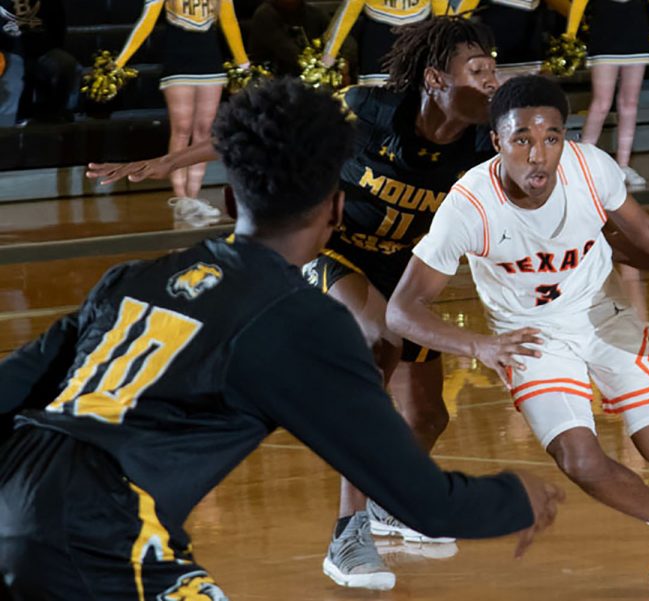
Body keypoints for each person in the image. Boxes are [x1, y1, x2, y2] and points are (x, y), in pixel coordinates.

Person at [0, 77, 564, 600]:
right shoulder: (299, 321)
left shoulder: (132, 278)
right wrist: (517, 498)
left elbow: (11, 385)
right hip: (100, 525)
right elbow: (424, 501)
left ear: (228, 202)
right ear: (337, 209)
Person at [87, 17, 505, 590]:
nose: (492, 81)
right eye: (478, 70)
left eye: (494, 68)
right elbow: (271, 132)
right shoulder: (372, 112)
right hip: (334, 249)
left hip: (402, 272)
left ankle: (387, 502)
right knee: (379, 340)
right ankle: (346, 534)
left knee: (430, 415)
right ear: (435, 78)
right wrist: (168, 164)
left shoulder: (488, 143)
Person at [387, 75, 649, 584]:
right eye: (522, 139)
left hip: (600, 315)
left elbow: (646, 233)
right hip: (528, 338)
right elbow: (403, 309)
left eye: (551, 138)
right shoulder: (468, 205)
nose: (538, 154)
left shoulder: (591, 168)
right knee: (578, 458)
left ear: (567, 137)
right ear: (497, 141)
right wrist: (480, 345)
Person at [113, 0, 250, 224]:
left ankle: (194, 197)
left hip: (210, 62)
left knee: (204, 131)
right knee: (182, 129)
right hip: (178, 61)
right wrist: (120, 62)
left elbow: (229, 21)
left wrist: (243, 63)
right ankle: (181, 198)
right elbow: (146, 22)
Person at [564, 0, 649, 186]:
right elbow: (579, 4)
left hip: (636, 39)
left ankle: (623, 165)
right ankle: (582, 163)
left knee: (630, 104)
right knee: (601, 104)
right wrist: (570, 34)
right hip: (604, 40)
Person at [0, 0, 79, 126]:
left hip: (43, 53)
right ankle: (20, 120)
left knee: (66, 63)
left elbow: (58, 32)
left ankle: (54, 113)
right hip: (8, 56)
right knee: (18, 69)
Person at [321, 0, 430, 85]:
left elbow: (443, 14)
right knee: (375, 99)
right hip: (378, 40)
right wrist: (331, 51)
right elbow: (349, 11)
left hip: (416, 40)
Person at [248, 0, 355, 77]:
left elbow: (346, 40)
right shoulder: (265, 15)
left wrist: (344, 62)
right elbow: (293, 55)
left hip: (310, 76)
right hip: (274, 80)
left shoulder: (314, 13)